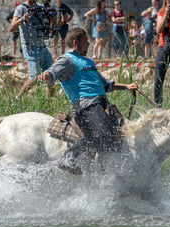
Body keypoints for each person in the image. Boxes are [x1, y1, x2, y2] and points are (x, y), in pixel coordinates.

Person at [36, 27, 138, 175]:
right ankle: (68, 157)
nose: (89, 44)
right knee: (103, 135)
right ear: (76, 42)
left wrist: (127, 86)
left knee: (117, 139)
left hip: (103, 105)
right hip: (86, 107)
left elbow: (106, 84)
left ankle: (104, 174)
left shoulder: (89, 62)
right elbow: (51, 73)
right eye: (86, 41)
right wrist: (46, 76)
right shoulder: (66, 60)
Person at [10, 0, 54, 99]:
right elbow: (12, 28)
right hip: (29, 47)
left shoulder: (41, 8)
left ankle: (49, 103)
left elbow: (53, 24)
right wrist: (22, 19)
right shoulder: (21, 8)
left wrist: (53, 18)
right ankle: (18, 99)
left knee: (51, 75)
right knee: (35, 76)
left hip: (42, 46)